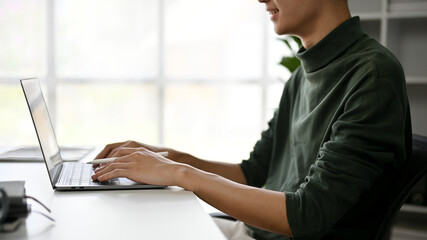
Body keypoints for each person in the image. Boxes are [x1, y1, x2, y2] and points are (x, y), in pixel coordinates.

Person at [91, 0, 412, 239]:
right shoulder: (302, 77)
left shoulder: (372, 74)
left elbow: (308, 215)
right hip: (250, 233)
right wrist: (167, 158)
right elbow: (253, 172)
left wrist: (179, 173)